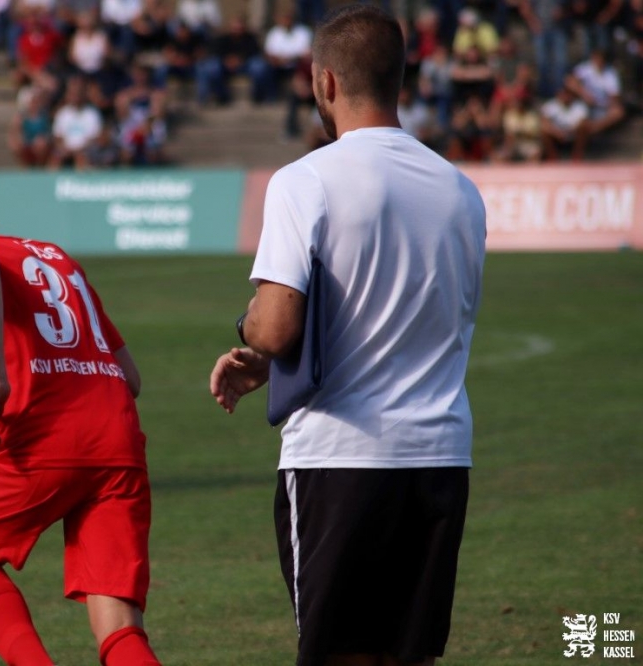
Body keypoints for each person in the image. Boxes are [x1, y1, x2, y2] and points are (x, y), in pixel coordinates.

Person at [208, 5, 486, 666]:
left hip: (342, 459)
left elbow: (274, 325)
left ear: (325, 83)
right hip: (440, 453)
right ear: (400, 79)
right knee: (409, 653)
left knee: (336, 654)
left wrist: (251, 335)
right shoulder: (461, 189)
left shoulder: (306, 180)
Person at [0, 204, 161, 666]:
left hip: (46, 435)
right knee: (120, 626)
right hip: (117, 440)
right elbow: (130, 378)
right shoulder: (58, 259)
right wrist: (22, 371)